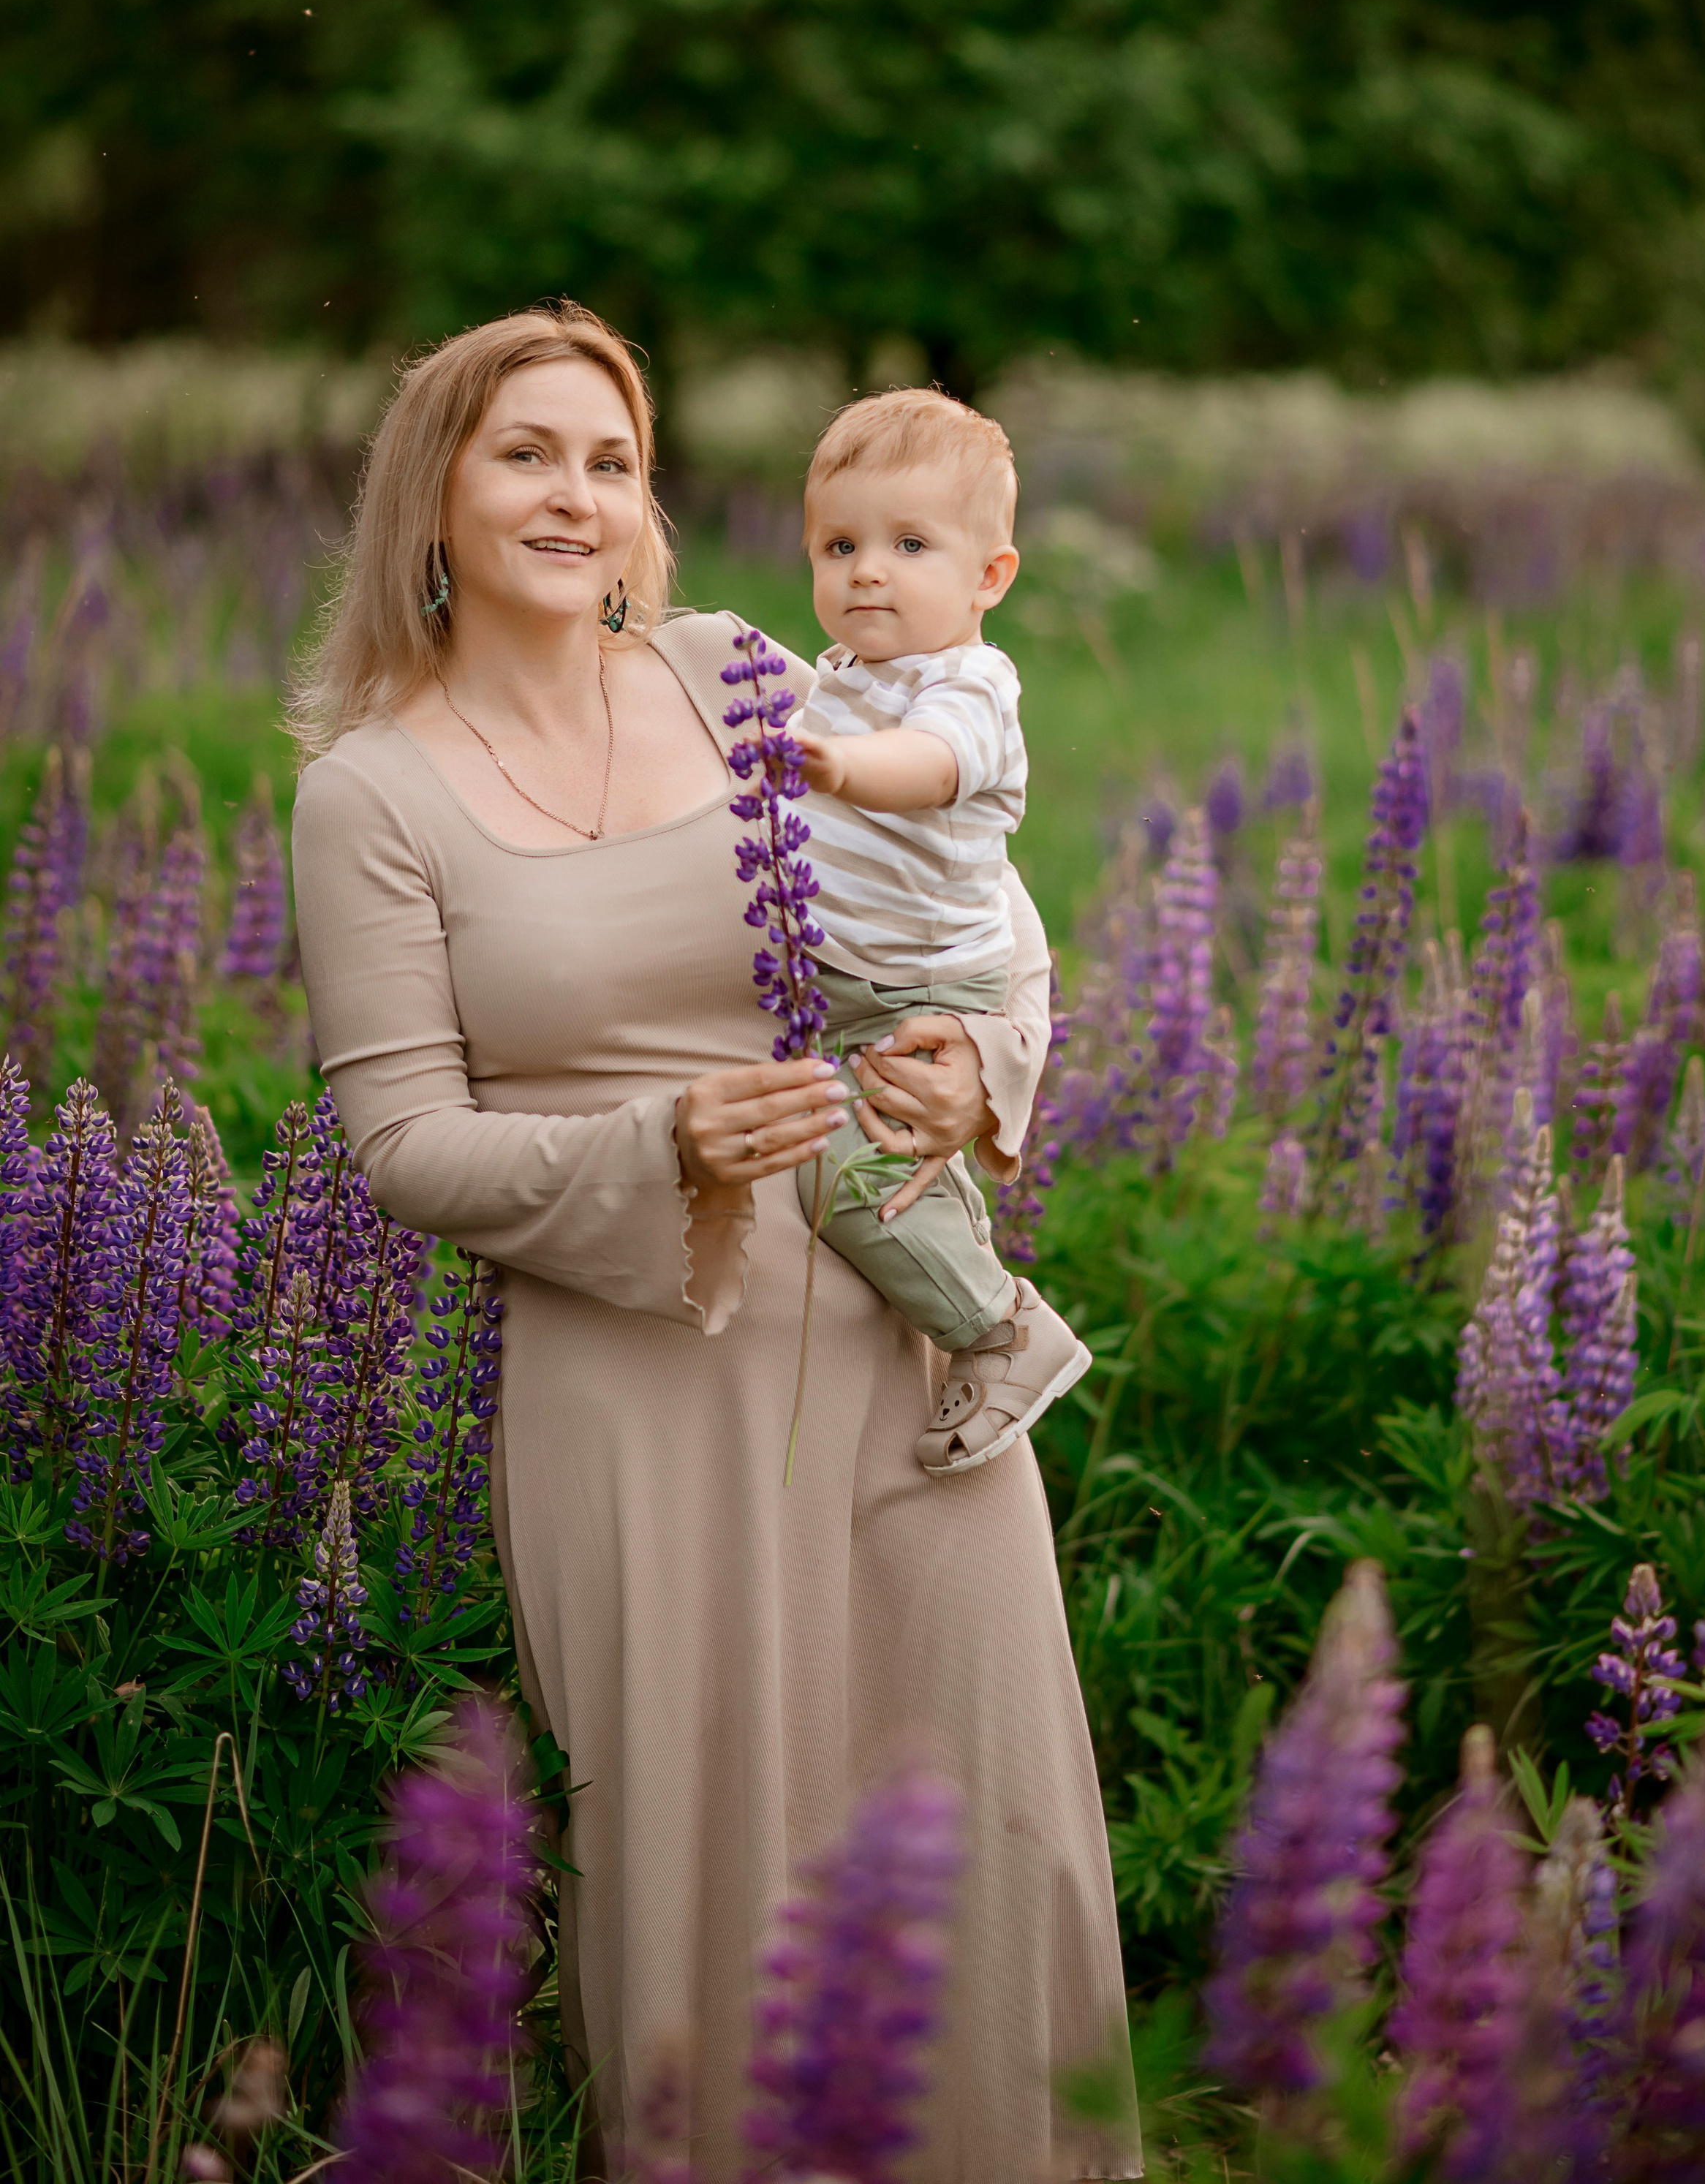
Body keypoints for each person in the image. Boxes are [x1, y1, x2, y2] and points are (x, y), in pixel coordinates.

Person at [288, 301, 1141, 2184]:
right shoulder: (369, 793)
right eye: (526, 453)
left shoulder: (731, 675)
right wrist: (657, 1141)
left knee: (976, 1813)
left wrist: (973, 1064)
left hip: (899, 1349)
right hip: (639, 1381)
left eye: (611, 460)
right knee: (710, 1861)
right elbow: (404, 1144)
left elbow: (985, 907)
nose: (574, 495)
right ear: (432, 492)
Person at [786, 386, 1093, 1473]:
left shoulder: (969, 686)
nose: (868, 570)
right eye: (841, 546)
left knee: (849, 1172)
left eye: (909, 545)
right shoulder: (843, 677)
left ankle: (999, 1328)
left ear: (989, 578)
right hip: (854, 980)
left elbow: (928, 766)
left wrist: (836, 766)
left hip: (917, 989)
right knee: (864, 1157)